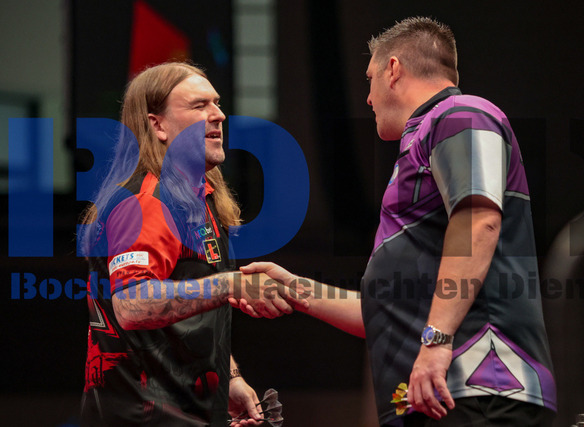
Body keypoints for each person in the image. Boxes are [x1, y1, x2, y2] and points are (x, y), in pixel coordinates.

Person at [240, 16, 556, 426]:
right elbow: (384, 310)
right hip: (432, 395)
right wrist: (296, 290)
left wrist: (437, 341)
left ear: (393, 70)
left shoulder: (461, 114)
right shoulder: (422, 145)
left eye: (369, 79)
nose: (367, 98)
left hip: (482, 386)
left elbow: (479, 221)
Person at [78, 62, 296, 426]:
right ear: (157, 125)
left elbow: (191, 315)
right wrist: (231, 284)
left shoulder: (200, 198)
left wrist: (230, 378)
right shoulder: (147, 202)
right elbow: (132, 305)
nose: (219, 114)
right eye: (199, 105)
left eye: (217, 103)